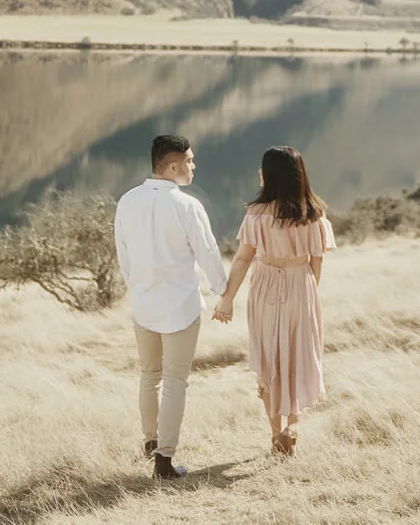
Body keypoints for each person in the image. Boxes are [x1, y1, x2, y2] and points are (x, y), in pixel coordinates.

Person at [114, 134, 227, 480]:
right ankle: (164, 460)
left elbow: (124, 255)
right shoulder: (187, 205)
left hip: (145, 305)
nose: (194, 166)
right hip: (180, 306)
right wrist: (223, 291)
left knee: (150, 376)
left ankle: (151, 443)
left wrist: (138, 289)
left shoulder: (127, 201)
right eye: (190, 161)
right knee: (175, 380)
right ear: (174, 165)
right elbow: (207, 253)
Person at [213, 145, 336, 456]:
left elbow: (241, 260)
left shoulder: (256, 216)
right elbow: (316, 263)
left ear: (269, 175)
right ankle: (293, 426)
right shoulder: (314, 216)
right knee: (300, 357)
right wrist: (306, 295)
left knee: (271, 361)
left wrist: (226, 300)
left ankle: (276, 434)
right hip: (301, 285)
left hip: (265, 287)